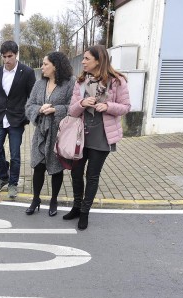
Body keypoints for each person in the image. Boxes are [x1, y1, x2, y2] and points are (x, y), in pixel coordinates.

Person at [63, 45, 131, 230]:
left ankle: (84, 212)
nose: (83, 62)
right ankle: (76, 207)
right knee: (76, 173)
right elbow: (71, 110)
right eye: (83, 58)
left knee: (92, 176)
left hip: (102, 136)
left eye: (86, 58)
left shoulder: (117, 82)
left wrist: (108, 106)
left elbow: (125, 107)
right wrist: (82, 103)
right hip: (80, 136)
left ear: (98, 60)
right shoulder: (81, 82)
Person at [25, 52, 75, 216]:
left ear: (55, 66)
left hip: (58, 133)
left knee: (56, 168)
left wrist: (56, 110)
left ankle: (54, 199)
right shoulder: (39, 84)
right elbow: (29, 105)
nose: (42, 67)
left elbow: (74, 107)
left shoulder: (69, 83)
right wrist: (39, 110)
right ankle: (36, 199)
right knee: (38, 166)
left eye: (46, 64)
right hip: (40, 132)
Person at [0, 40, 36, 199]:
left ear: (16, 55)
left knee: (15, 155)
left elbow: (32, 96)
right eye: (4, 56)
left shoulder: (27, 72)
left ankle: (13, 183)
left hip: (16, 120)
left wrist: (27, 115)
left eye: (10, 56)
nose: (7, 60)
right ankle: (3, 176)